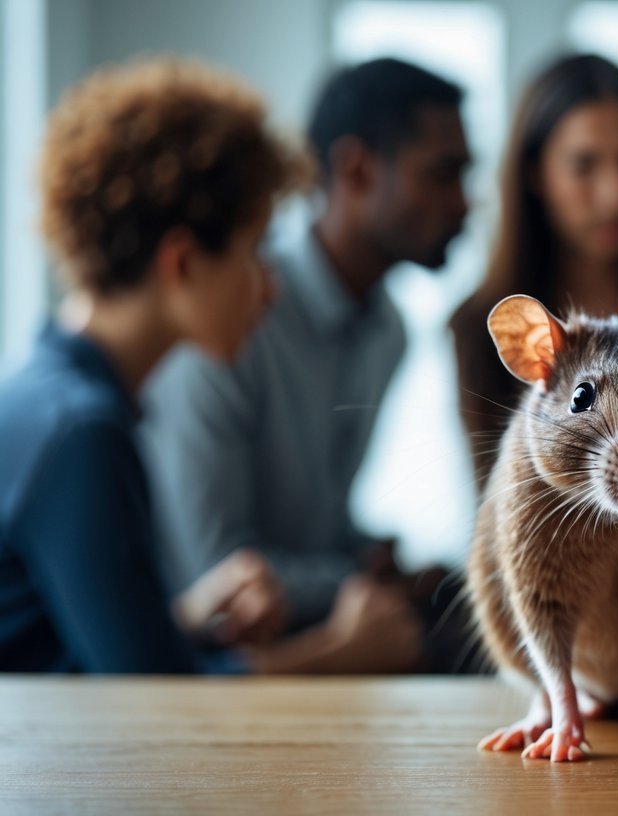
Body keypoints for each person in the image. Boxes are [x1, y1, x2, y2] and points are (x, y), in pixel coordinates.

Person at [0, 59, 414, 674]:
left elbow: (66, 646)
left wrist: (183, 617)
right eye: (254, 252)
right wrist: (344, 652)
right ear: (184, 264)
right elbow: (154, 705)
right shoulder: (83, 434)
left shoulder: (54, 397)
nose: (270, 288)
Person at [141, 58, 471, 671]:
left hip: (305, 617)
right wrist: (354, 580)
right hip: (206, 658)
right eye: (443, 174)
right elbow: (216, 571)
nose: (463, 202)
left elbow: (310, 522)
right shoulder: (231, 314)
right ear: (358, 169)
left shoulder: (389, 331)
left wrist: (369, 556)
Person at [450, 53, 618, 486]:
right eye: (584, 165)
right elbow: (493, 501)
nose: (615, 196)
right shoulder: (477, 327)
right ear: (535, 173)